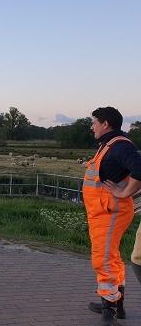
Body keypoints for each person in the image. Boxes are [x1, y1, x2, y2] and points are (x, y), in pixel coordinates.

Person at [83, 107, 141, 326]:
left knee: (103, 258)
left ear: (105, 123)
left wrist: (125, 192)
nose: (92, 127)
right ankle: (117, 303)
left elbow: (139, 169)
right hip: (103, 212)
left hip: (110, 212)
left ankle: (109, 311)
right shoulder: (109, 146)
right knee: (112, 257)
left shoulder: (120, 146)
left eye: (94, 122)